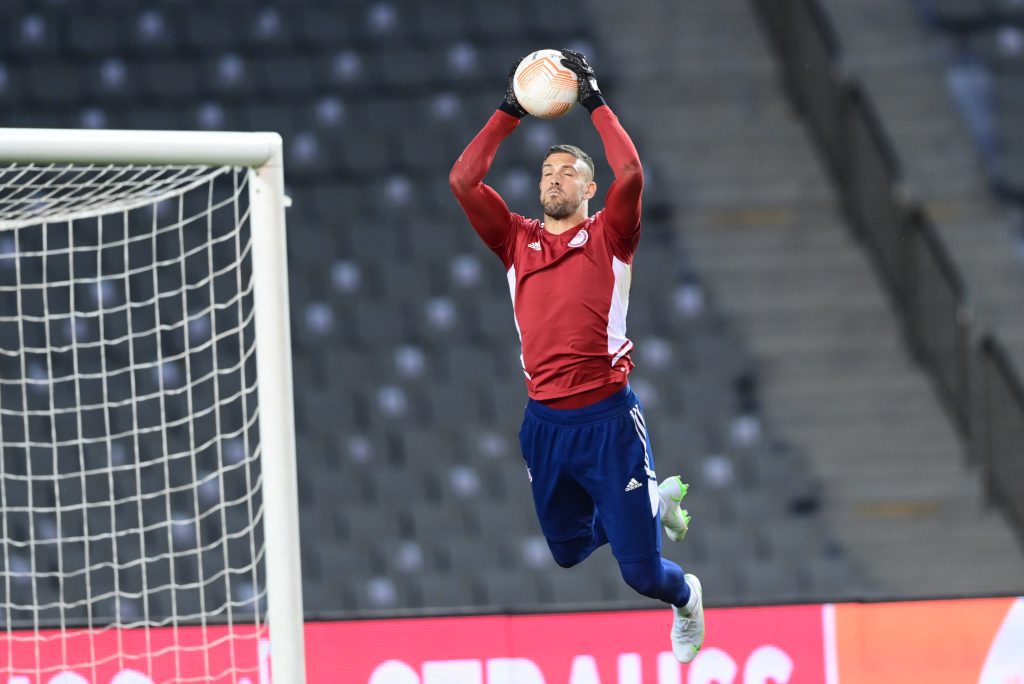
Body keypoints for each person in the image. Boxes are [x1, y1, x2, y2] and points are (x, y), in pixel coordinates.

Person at [449, 49, 705, 663]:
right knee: (566, 552)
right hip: (545, 425)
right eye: (547, 172)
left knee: (642, 575)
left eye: (568, 172)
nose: (554, 179)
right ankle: (650, 503)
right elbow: (463, 182)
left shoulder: (612, 236)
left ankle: (687, 597)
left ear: (590, 188)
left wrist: (593, 99)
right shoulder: (515, 240)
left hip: (608, 422)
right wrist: (510, 110)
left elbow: (632, 171)